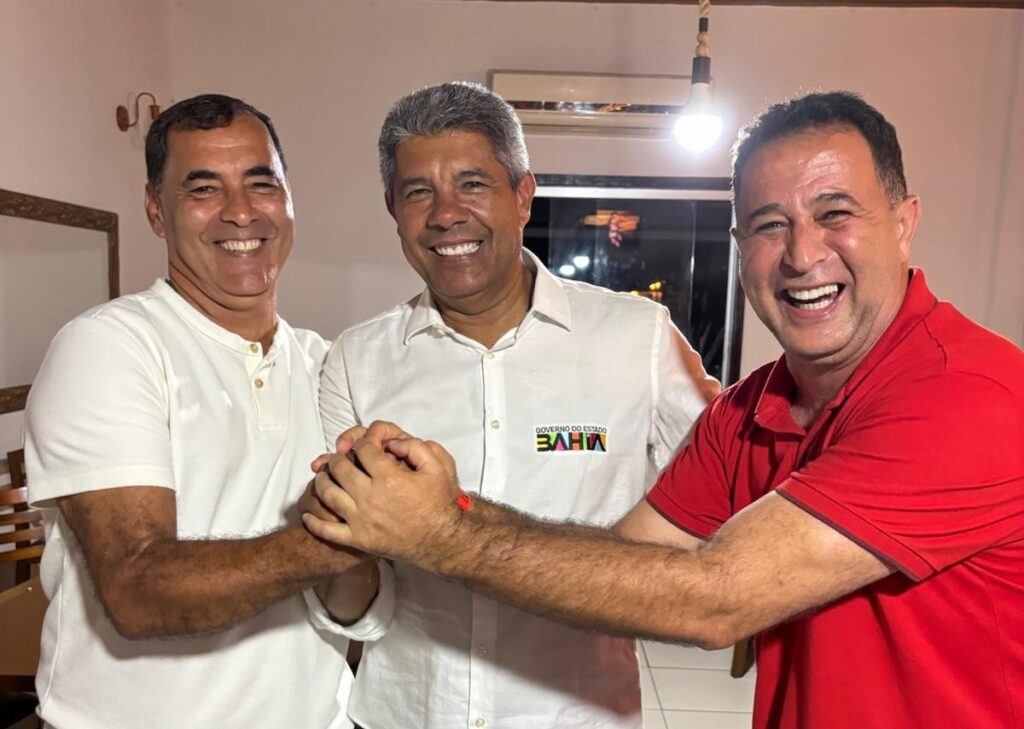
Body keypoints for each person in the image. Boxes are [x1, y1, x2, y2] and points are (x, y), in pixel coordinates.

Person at [304, 91, 1024, 729]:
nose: (802, 254)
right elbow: (628, 559)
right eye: (769, 225)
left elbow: (716, 598)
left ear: (904, 221)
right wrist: (440, 517)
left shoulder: (971, 395)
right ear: (740, 247)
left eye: (835, 213)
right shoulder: (752, 411)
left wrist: (442, 529)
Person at [309, 81, 718, 729]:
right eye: (418, 192)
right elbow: (351, 588)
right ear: (393, 209)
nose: (446, 214)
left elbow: (727, 493)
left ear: (523, 195)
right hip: (404, 713)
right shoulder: (356, 360)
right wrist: (339, 536)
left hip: (576, 716)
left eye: (472, 184)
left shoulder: (637, 338)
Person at [24, 94, 390, 729]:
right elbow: (138, 590)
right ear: (155, 210)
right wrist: (343, 538)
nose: (241, 211)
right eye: (203, 188)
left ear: (289, 200)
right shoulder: (110, 346)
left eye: (261, 183)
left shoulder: (328, 366)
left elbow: (354, 606)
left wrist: (374, 542)